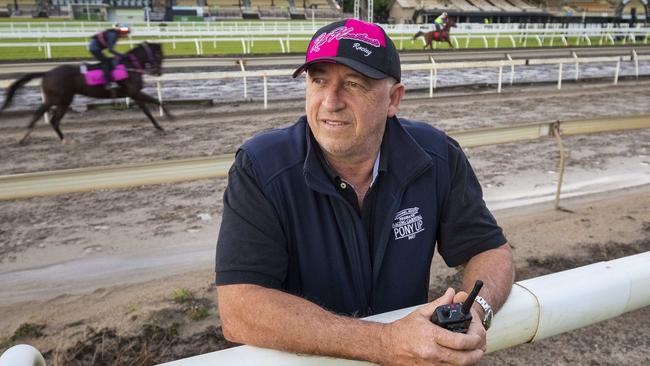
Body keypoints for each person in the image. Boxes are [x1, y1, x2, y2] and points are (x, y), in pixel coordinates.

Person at [215, 19, 514, 365]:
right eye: (319, 80)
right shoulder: (261, 167)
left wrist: (476, 310)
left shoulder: (437, 156)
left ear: (393, 99)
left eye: (353, 84)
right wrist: (385, 342)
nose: (330, 101)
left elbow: (491, 249)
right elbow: (238, 308)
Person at [88, 24, 130, 88]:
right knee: (107, 63)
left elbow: (110, 49)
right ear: (121, 32)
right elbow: (110, 50)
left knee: (109, 61)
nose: (126, 35)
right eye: (125, 33)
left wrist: (117, 55)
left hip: (96, 48)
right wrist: (120, 55)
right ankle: (107, 83)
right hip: (95, 49)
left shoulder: (114, 34)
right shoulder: (113, 35)